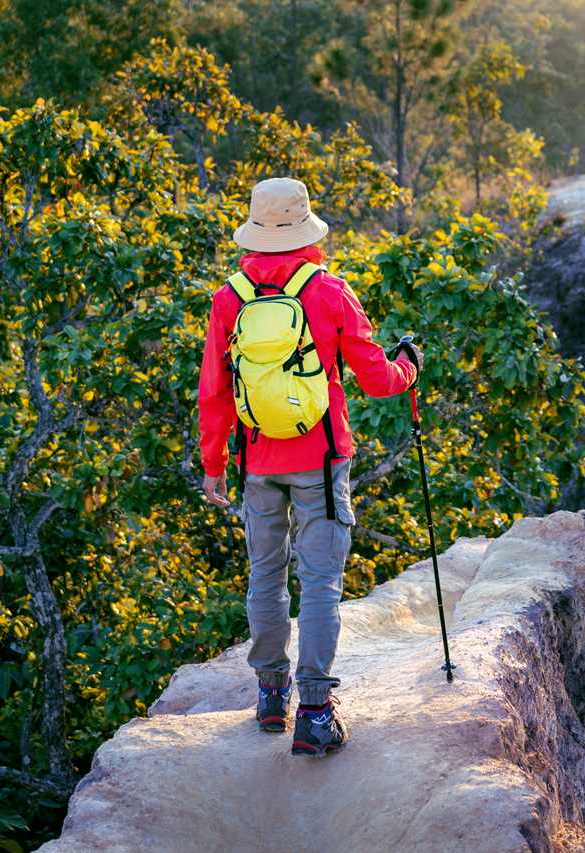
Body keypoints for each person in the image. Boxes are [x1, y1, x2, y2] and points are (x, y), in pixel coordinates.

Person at [197, 176, 421, 756]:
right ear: (305, 225)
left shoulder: (229, 298)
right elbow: (376, 379)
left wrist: (213, 465)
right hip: (321, 460)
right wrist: (408, 370)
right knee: (319, 581)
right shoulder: (328, 291)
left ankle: (272, 696)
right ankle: (316, 713)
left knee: (265, 576)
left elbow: (214, 391)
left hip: (255, 461)